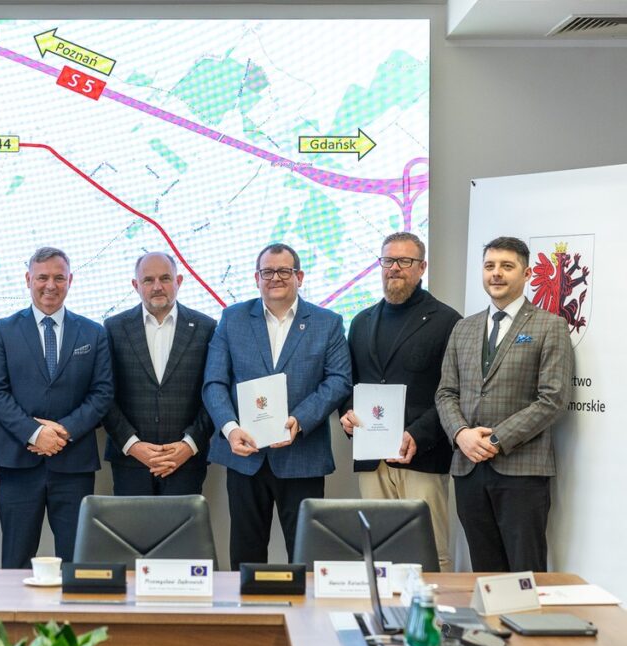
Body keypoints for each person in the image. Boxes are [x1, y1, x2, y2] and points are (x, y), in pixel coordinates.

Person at [203, 243, 351, 569]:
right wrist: (230, 428)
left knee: (306, 556)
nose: (275, 278)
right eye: (268, 271)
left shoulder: (327, 322)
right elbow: (214, 383)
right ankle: (250, 619)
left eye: (284, 271)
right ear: (257, 277)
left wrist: (300, 418)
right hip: (245, 456)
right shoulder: (233, 318)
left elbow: (339, 381)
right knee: (245, 554)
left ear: (299, 276)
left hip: (302, 456)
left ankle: (304, 620)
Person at [436, 236, 573, 572]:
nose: (496, 274)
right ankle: (491, 627)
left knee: (526, 572)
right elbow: (445, 393)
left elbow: (552, 399)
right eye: (489, 266)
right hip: (468, 468)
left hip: (521, 471)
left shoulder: (550, 326)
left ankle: (528, 626)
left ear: (526, 274)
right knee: (485, 572)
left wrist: (495, 440)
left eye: (506, 266)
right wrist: (462, 435)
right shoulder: (463, 328)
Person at [0, 247, 113, 568]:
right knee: (15, 560)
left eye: (59, 278)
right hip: (18, 464)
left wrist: (63, 432)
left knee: (76, 562)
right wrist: (35, 432)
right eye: (42, 277)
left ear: (71, 280)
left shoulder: (93, 333)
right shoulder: (3, 330)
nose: (50, 285)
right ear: (29, 279)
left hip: (74, 465)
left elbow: (102, 393)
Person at [339, 233, 461, 571]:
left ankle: (433, 623)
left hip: (420, 455)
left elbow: (454, 392)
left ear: (422, 267)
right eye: (388, 261)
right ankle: (385, 623)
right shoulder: (361, 321)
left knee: (428, 556)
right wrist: (346, 414)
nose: (395, 268)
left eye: (404, 261)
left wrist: (417, 435)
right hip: (372, 457)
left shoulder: (447, 321)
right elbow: (350, 384)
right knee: (378, 554)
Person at [102, 252, 216, 495]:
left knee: (182, 534)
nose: (157, 287)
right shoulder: (113, 328)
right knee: (132, 534)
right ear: (135, 285)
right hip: (130, 462)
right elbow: (104, 394)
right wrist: (134, 445)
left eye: (165, 278)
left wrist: (189, 445)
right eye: (148, 280)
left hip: (185, 462)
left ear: (179, 281)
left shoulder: (206, 327)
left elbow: (214, 393)